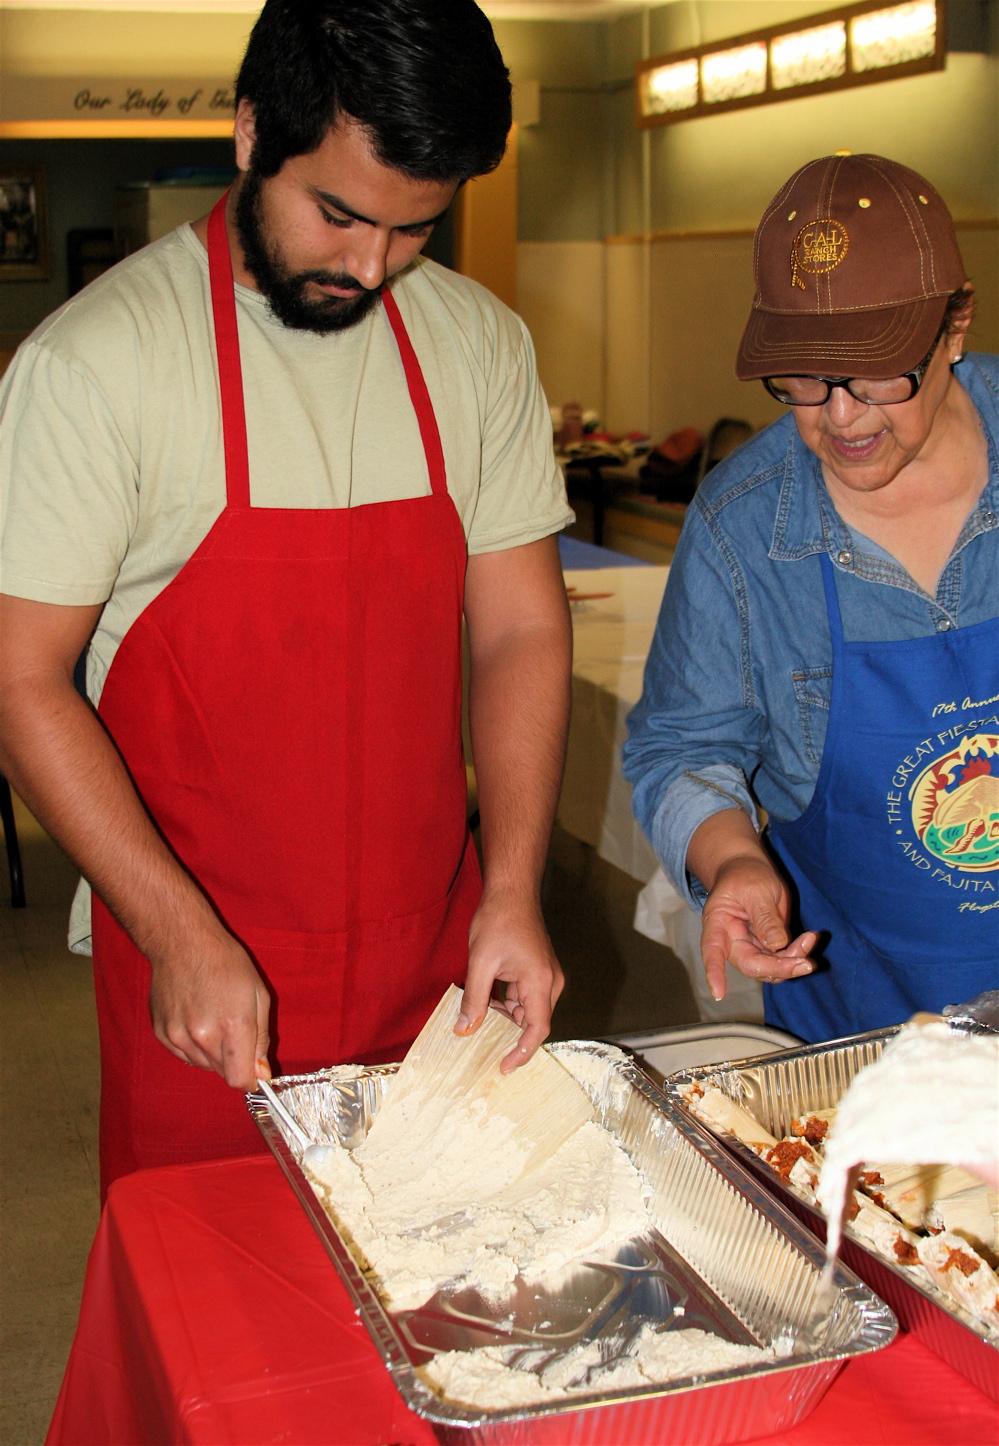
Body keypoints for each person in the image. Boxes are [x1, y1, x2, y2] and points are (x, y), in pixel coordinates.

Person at [0, 0, 574, 1195]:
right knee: (230, 1322)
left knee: (454, 1285)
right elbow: (21, 680)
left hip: (436, 957)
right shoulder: (94, 365)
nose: (370, 269)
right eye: (340, 214)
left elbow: (518, 629)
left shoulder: (479, 348)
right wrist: (175, 931)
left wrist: (512, 886)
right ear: (253, 131)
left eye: (416, 230)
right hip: (200, 956)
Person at [623, 154, 998, 1044]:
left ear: (954, 325)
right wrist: (734, 859)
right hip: (867, 1036)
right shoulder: (744, 526)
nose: (838, 417)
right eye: (800, 378)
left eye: (873, 373)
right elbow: (681, 747)